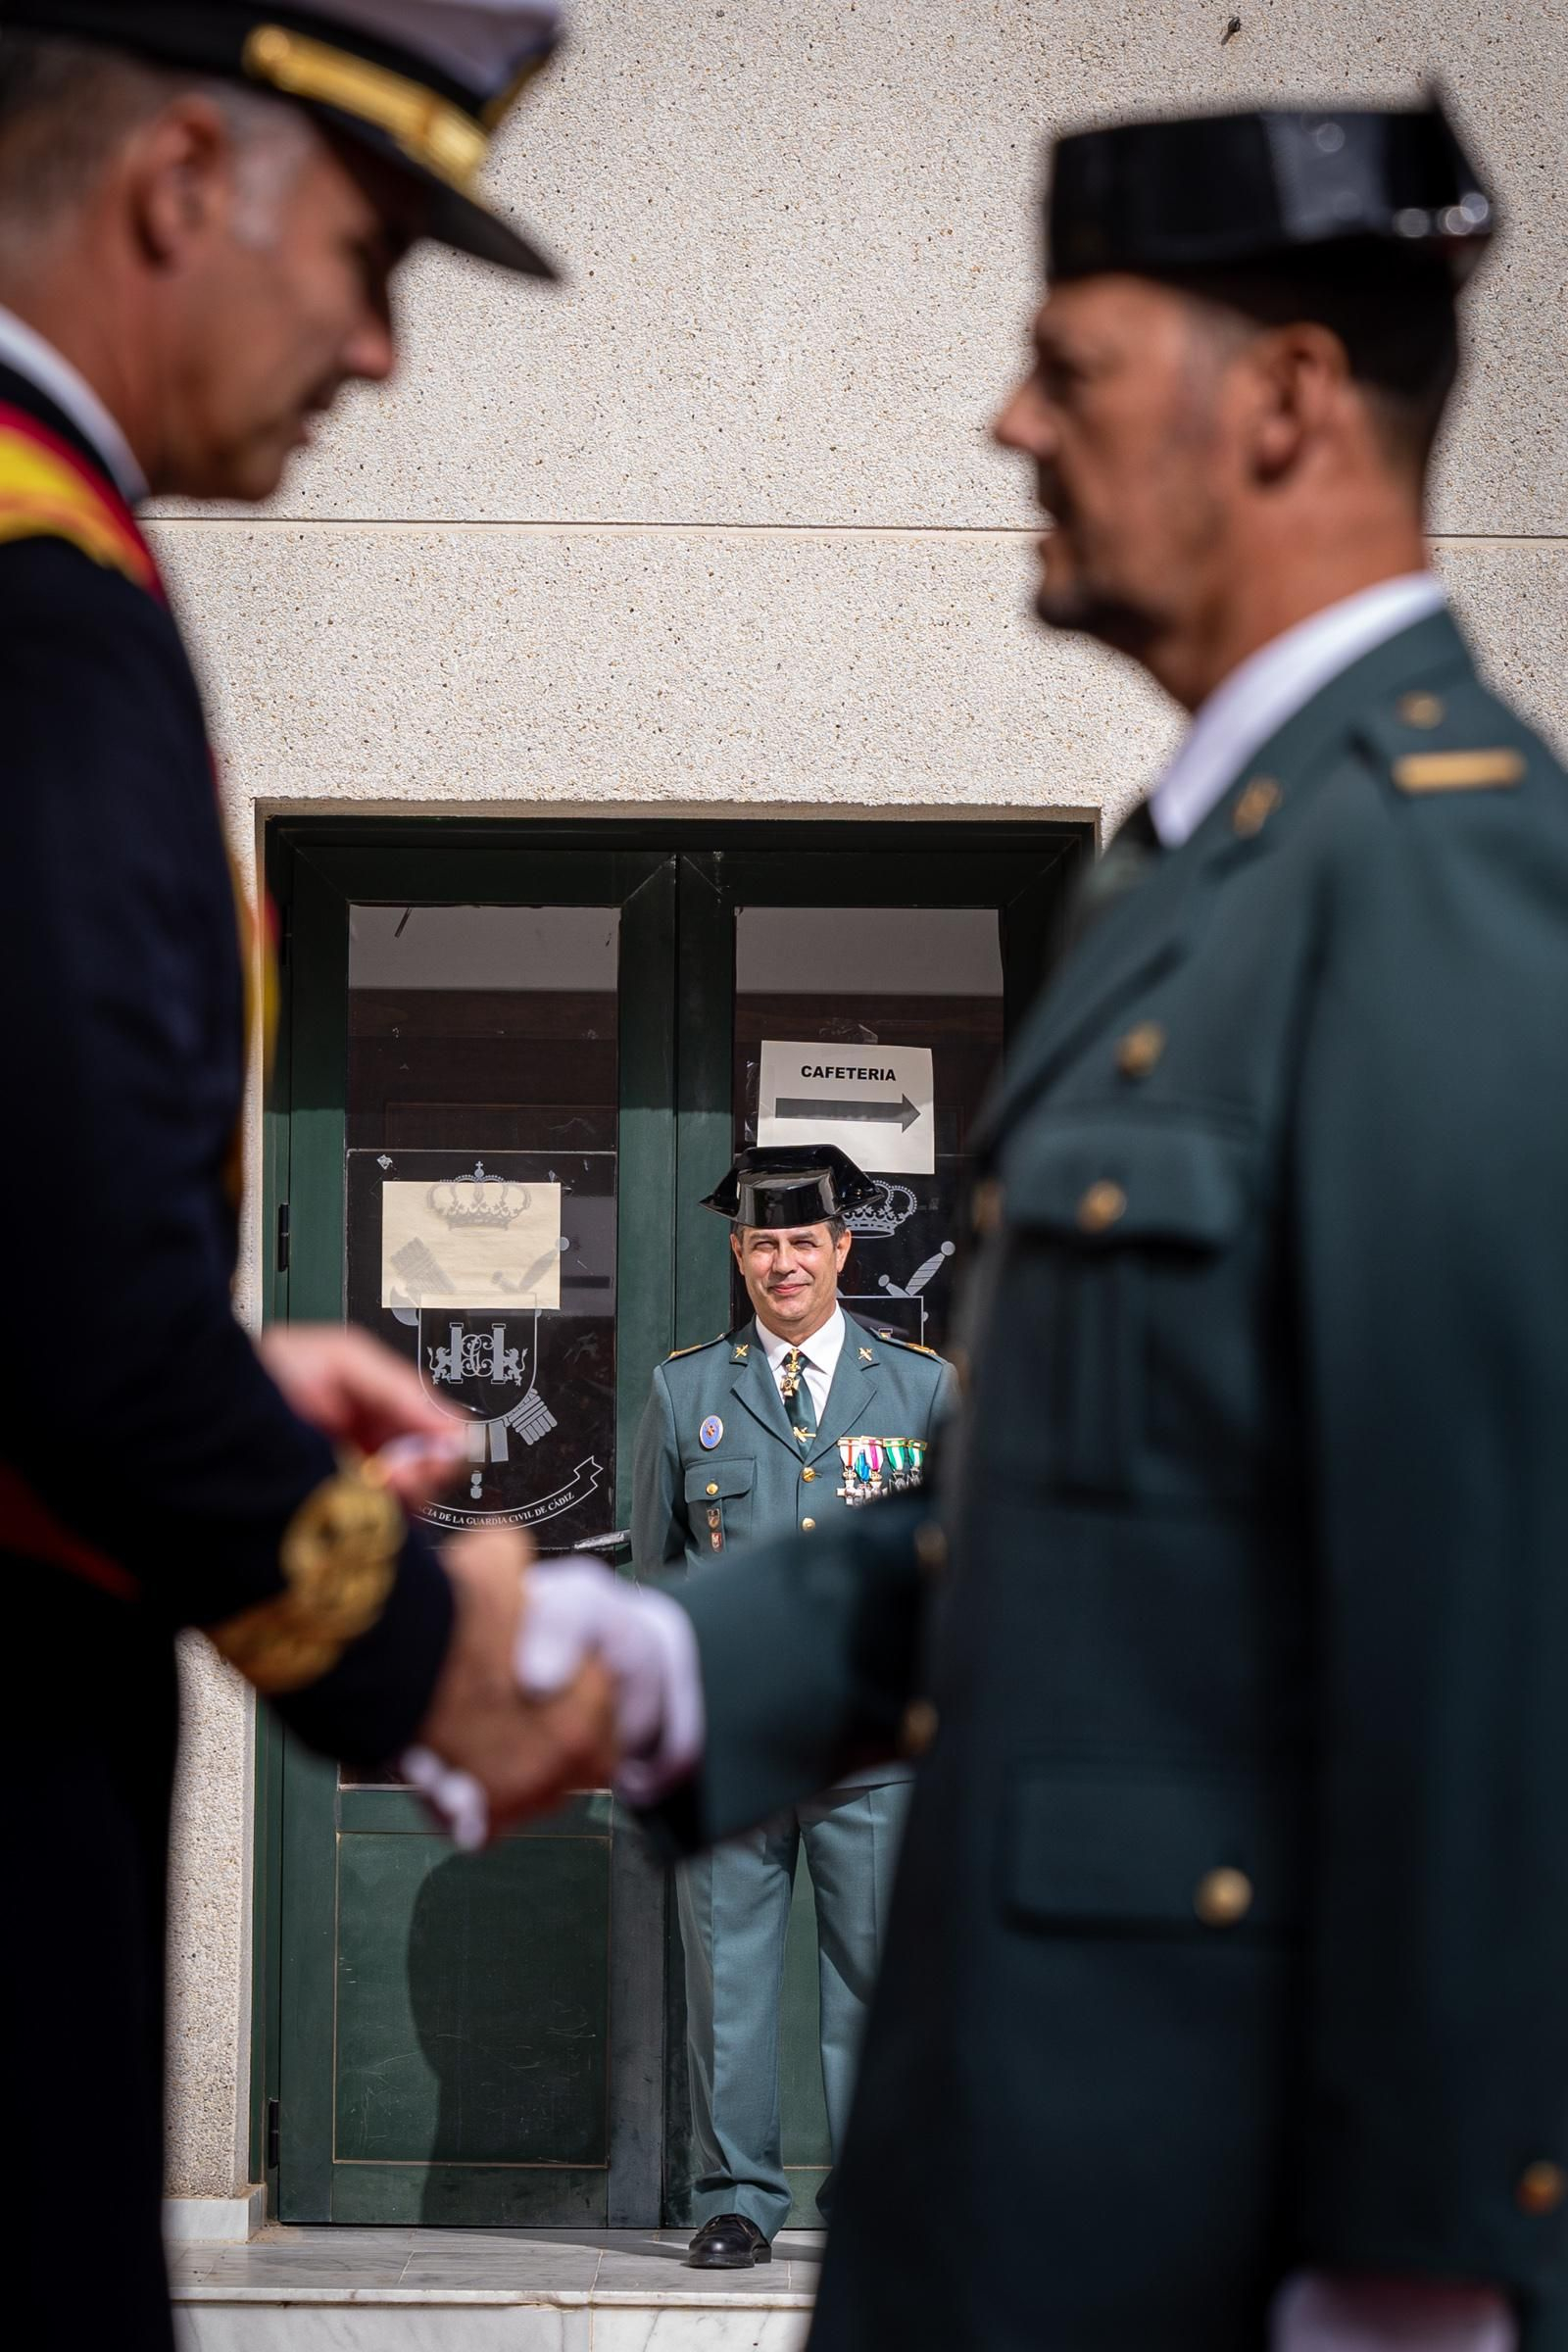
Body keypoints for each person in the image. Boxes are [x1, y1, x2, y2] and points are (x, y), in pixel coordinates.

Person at [526, 100, 1568, 2352]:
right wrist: (672, 1662)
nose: (1006, 418)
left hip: (1234, 2229)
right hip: (1033, 2187)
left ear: (1285, 393)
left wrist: (1409, 2261)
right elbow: (1085, 1521)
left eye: (1068, 364)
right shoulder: (1173, 876)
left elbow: (1494, 1600)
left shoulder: (1443, 877)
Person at [0, 10, 614, 2349]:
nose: (372, 342)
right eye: (366, 254)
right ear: (177, 179)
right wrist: (401, 1644)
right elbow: (69, 1307)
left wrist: (219, 1360)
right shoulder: (46, 616)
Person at [630, 1146, 956, 2269]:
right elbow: (652, 1574)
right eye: (763, 1243)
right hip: (730, 1746)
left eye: (802, 1243)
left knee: (875, 1983)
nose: (783, 1264)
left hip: (873, 1748)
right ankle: (736, 2197)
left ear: (841, 1251)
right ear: (737, 1253)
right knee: (729, 1983)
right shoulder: (684, 1391)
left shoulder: (920, 1386)